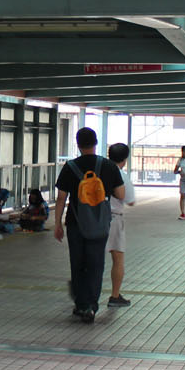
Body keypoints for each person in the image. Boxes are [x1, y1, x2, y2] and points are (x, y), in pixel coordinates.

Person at [53, 127, 125, 323]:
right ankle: (91, 307)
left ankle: (81, 304)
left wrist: (57, 223)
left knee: (78, 263)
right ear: (96, 143)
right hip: (100, 223)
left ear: (78, 144)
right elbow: (121, 194)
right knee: (96, 264)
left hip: (75, 223)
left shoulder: (70, 167)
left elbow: (61, 198)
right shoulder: (109, 166)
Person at [105, 142, 137, 307]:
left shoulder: (99, 171)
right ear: (125, 159)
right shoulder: (122, 176)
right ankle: (115, 295)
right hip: (114, 219)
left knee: (91, 258)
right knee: (117, 258)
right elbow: (130, 201)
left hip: (94, 218)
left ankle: (85, 296)